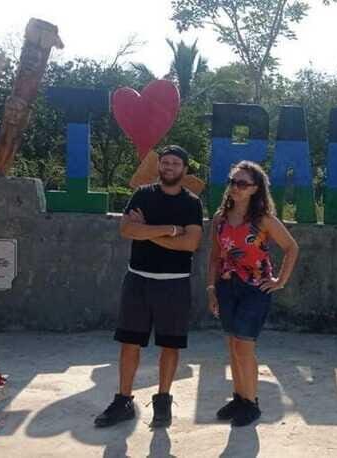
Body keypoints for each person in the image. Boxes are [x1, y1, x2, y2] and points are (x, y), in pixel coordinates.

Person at [95, 145, 204, 428]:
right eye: (165, 162)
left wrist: (147, 232)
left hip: (174, 285)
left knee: (170, 345)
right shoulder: (142, 194)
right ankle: (123, 401)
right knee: (130, 343)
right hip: (138, 281)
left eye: (175, 163)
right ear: (160, 166)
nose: (169, 167)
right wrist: (169, 230)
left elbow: (191, 243)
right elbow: (127, 230)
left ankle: (163, 401)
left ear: (184, 169)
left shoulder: (192, 203)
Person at [206, 160, 299, 427]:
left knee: (244, 346)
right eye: (232, 181)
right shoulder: (220, 219)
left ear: (255, 189)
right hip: (226, 287)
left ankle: (252, 402)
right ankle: (239, 397)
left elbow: (291, 248)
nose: (235, 187)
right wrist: (211, 288)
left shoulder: (264, 220)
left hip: (254, 289)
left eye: (242, 183)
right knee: (232, 346)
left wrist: (280, 280)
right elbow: (214, 257)